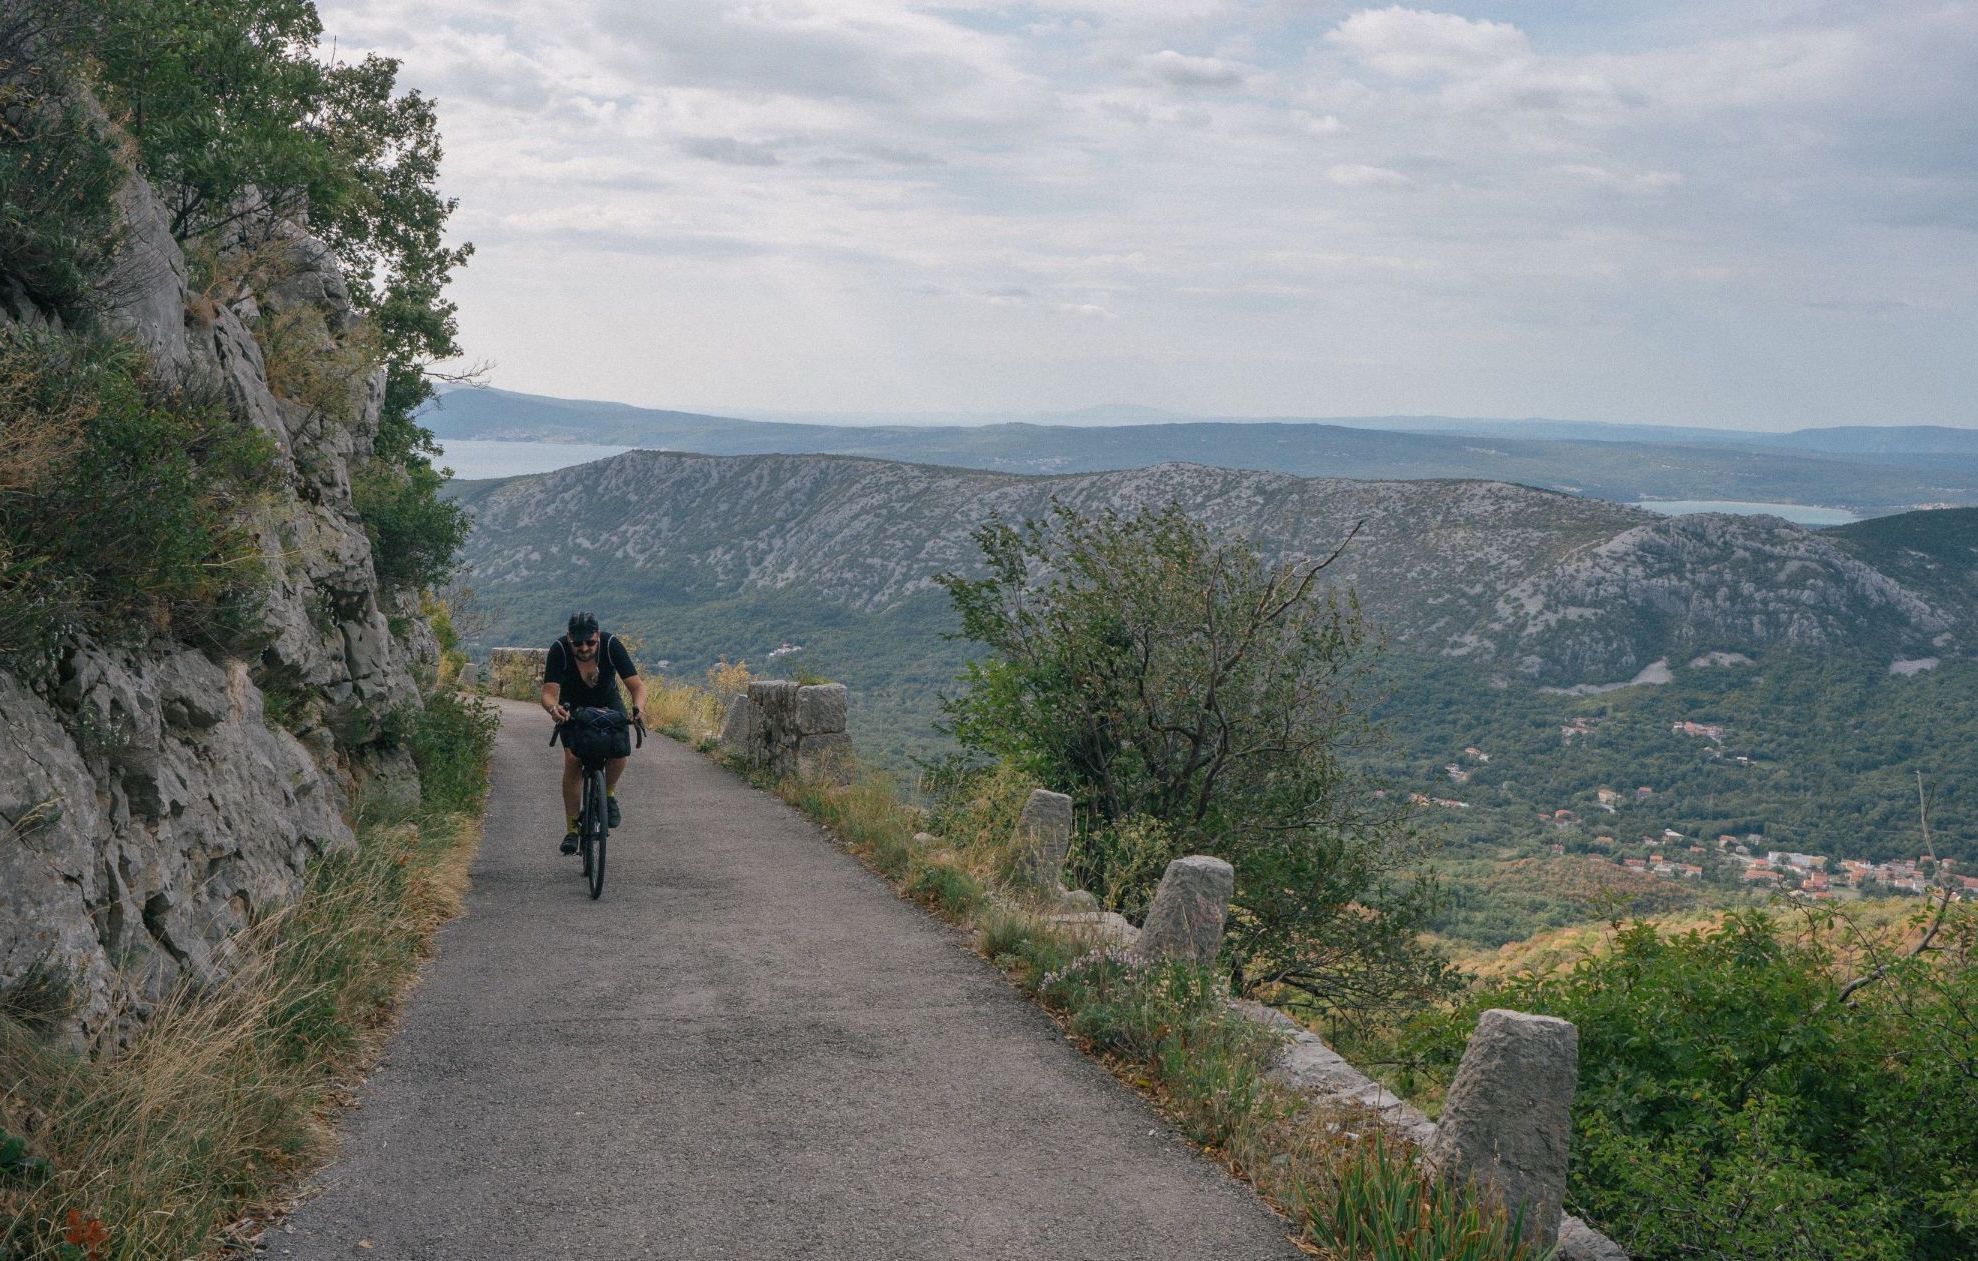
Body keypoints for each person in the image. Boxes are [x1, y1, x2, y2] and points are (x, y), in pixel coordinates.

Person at [541, 611, 646, 854]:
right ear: (569, 639)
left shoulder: (611, 645)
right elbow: (548, 692)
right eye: (578, 643)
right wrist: (553, 709)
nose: (585, 647)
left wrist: (639, 708)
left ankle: (607, 796)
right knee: (573, 760)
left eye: (590, 641)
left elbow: (637, 686)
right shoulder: (559, 650)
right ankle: (572, 830)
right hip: (572, 707)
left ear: (597, 635)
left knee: (619, 752)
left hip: (609, 703)